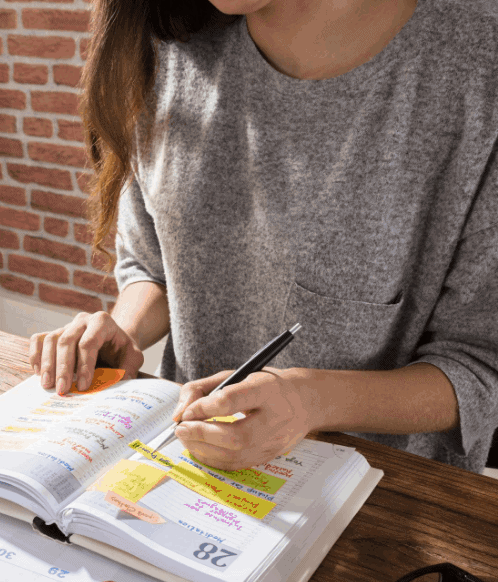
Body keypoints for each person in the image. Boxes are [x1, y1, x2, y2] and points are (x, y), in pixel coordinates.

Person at [29, 0, 498, 472]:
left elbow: (480, 365)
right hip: (185, 469)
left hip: (382, 501)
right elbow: (155, 267)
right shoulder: (168, 40)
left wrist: (311, 401)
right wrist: (122, 333)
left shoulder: (478, 59)